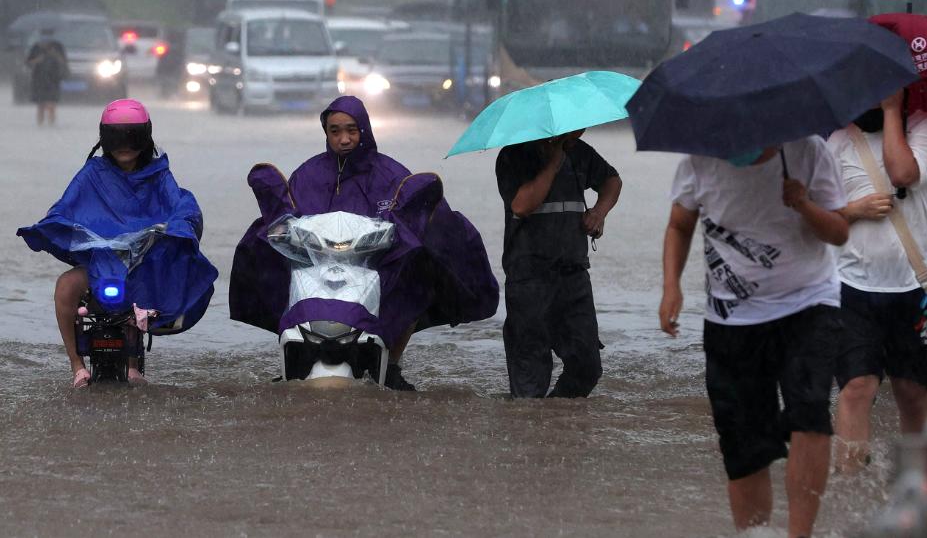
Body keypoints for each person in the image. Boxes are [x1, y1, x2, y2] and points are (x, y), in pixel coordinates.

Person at [229, 96, 498, 390]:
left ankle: (392, 364)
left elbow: (417, 211)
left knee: (415, 279)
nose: (343, 139)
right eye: (335, 131)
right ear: (326, 133)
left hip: (377, 267)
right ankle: (295, 355)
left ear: (365, 130)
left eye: (351, 130)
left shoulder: (390, 174)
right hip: (315, 265)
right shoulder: (308, 175)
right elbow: (286, 220)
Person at [659, 139, 849, 537]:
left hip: (808, 302)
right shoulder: (700, 158)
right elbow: (679, 224)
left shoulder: (809, 151)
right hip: (732, 318)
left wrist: (802, 203)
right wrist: (671, 287)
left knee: (810, 411)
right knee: (744, 446)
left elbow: (839, 232)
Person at [16, 99, 218, 387]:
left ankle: (133, 363)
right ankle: (77, 365)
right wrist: (54, 221)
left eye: (132, 136)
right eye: (117, 137)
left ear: (145, 137)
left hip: (141, 265)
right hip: (99, 264)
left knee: (146, 288)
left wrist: (181, 224)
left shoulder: (160, 176)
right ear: (104, 139)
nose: (124, 145)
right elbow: (66, 204)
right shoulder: (92, 174)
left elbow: (181, 205)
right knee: (65, 287)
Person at [827, 90, 927, 472]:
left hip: (916, 289)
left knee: (913, 393)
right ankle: (852, 490)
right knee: (855, 389)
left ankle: (918, 489)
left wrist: (892, 110)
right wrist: (854, 210)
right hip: (852, 287)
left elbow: (903, 174)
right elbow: (818, 218)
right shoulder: (839, 140)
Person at [495, 130, 622, 398]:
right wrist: (553, 162)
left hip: (573, 276)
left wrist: (599, 213)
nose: (581, 131)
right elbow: (521, 205)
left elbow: (612, 180)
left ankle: (560, 428)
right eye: (574, 129)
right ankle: (530, 431)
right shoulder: (514, 154)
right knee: (529, 381)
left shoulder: (580, 152)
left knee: (587, 367)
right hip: (529, 278)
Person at [25, 29, 68, 125]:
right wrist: (37, 60)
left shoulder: (58, 46)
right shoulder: (36, 47)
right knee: (40, 105)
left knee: (51, 104)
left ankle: (51, 124)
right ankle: (40, 125)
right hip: (38, 79)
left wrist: (55, 55)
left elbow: (64, 62)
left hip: (54, 79)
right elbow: (28, 62)